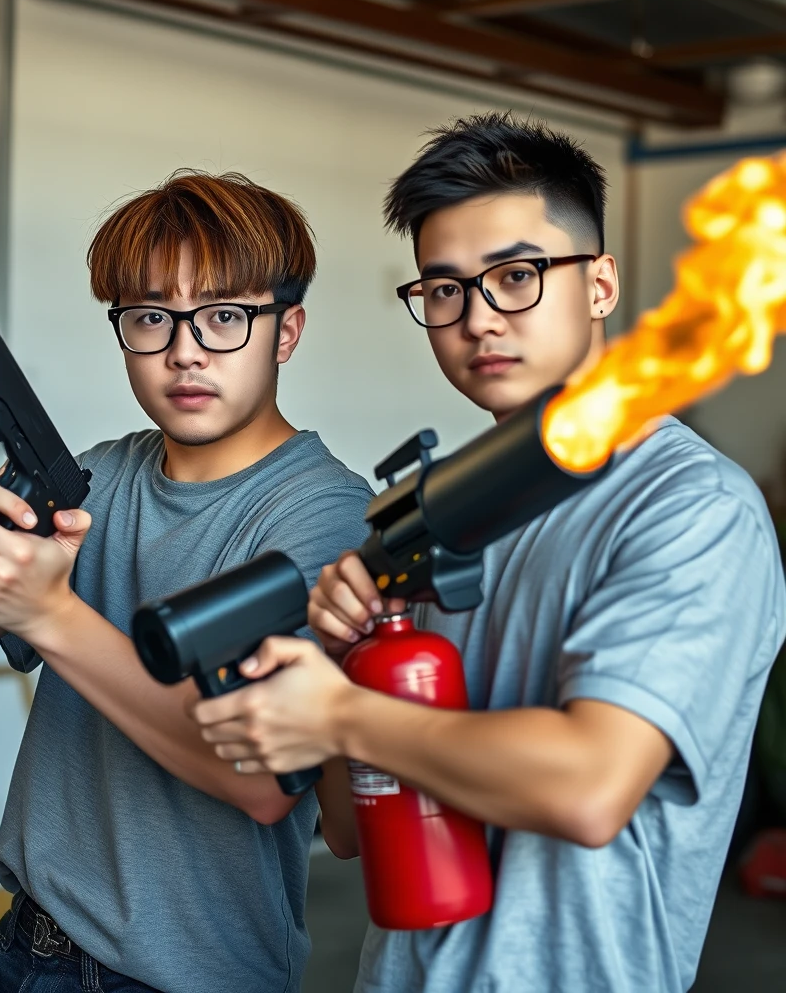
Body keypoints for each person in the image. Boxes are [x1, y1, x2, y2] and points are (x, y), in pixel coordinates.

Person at [191, 115, 786, 992]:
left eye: (516, 277)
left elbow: (590, 786)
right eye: (443, 291)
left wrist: (344, 714)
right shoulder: (434, 511)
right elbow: (353, 831)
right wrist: (346, 660)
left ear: (600, 284)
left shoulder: (690, 507)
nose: (477, 320)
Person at [0, 170, 372, 993]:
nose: (185, 350)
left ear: (286, 331)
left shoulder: (324, 514)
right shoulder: (96, 478)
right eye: (151, 318)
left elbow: (258, 783)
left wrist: (51, 613)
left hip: (184, 973)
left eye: (224, 317)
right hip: (21, 944)